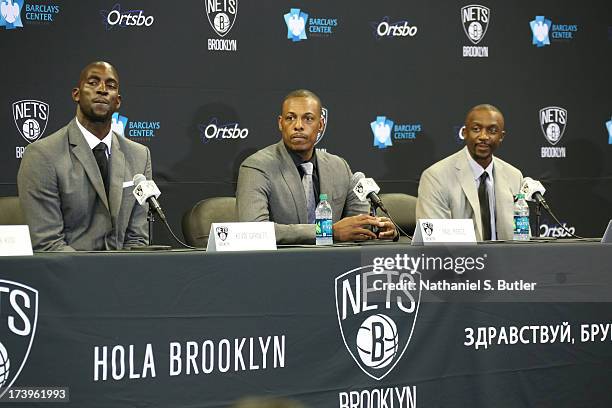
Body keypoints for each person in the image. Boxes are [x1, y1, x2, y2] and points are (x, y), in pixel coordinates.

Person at [17, 61, 152, 251]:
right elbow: (48, 244)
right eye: (93, 82)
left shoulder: (139, 155)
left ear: (118, 101)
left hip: (124, 274)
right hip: (68, 275)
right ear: (76, 94)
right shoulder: (42, 155)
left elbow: (137, 239)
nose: (103, 90)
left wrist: (124, 276)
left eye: (111, 86)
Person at [236, 89, 397, 244]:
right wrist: (328, 231)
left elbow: (354, 227)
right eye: (290, 118)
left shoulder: (339, 166)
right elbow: (253, 231)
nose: (298, 125)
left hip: (334, 265)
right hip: (279, 265)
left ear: (320, 124)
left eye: (308, 119)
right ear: (280, 123)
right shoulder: (257, 166)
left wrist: (379, 229)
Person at [416, 104, 523, 241]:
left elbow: (522, 236)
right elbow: (433, 237)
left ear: (501, 137)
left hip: (506, 260)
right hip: (459, 261)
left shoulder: (514, 176)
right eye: (476, 129)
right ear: (465, 132)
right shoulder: (436, 177)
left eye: (492, 130)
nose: (483, 136)